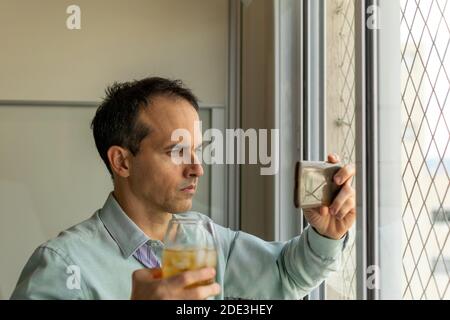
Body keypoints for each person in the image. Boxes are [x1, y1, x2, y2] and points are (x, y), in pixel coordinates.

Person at [11, 77, 356, 300]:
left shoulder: (206, 238)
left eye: (196, 151)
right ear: (122, 162)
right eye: (176, 151)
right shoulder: (63, 266)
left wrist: (326, 234)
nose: (197, 168)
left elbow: (285, 275)